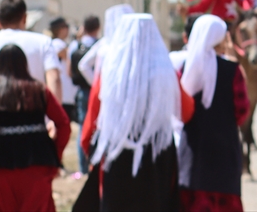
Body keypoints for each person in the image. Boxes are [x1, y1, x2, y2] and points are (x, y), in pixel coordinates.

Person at [80, 14, 195, 211]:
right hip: (157, 151)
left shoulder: (110, 72)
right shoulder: (166, 71)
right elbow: (186, 111)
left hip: (116, 152)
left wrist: (91, 152)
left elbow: (92, 118)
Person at [0, 0, 62, 212]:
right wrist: (51, 121)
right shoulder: (42, 42)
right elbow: (54, 79)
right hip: (38, 138)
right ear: (24, 18)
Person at [0, 43, 70, 212]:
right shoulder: (39, 90)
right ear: (24, 64)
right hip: (39, 161)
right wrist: (55, 154)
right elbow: (64, 124)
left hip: (3, 163)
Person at [178, 15, 250, 212]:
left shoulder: (185, 68)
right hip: (225, 149)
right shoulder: (233, 70)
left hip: (193, 150)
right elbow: (242, 111)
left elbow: (180, 108)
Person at [68, 14, 101, 175]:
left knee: (83, 127)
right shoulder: (102, 46)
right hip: (98, 92)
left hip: (81, 91)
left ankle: (83, 168)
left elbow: (70, 71)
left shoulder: (75, 47)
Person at [77, 4, 134, 87]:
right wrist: (97, 85)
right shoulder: (105, 43)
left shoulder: (104, 43)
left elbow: (84, 65)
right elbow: (84, 65)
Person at [47, 17, 78, 123]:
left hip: (63, 92)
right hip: (65, 93)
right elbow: (70, 66)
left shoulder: (52, 44)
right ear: (61, 29)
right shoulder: (58, 44)